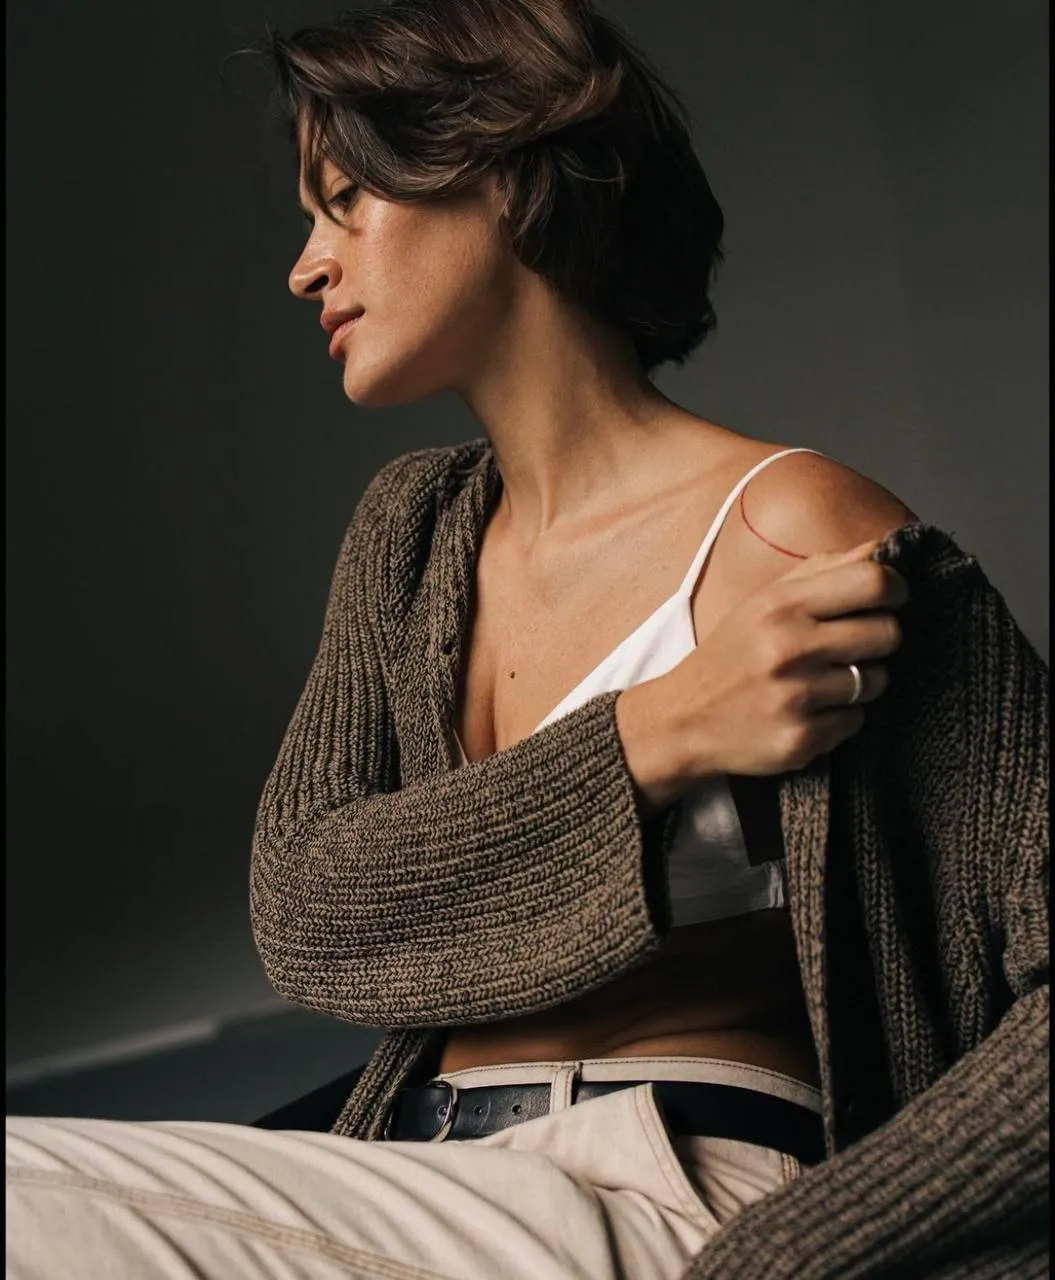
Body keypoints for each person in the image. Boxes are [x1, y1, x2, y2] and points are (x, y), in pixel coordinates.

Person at [7, 2, 1048, 1277]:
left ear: (497, 170)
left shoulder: (794, 533)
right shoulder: (409, 535)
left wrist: (792, 1255)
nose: (304, 264)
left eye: (342, 201)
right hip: (400, 1179)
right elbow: (308, 908)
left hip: (666, 1188)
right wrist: (661, 730)